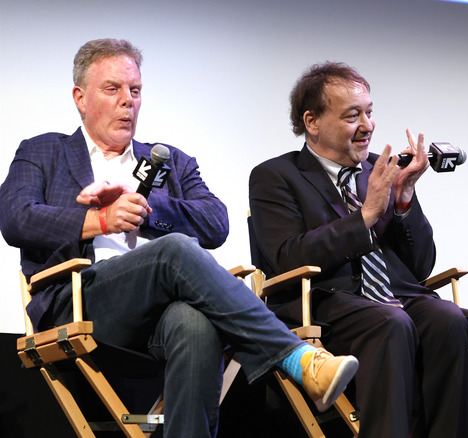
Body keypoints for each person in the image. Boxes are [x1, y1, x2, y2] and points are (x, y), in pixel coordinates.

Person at [0, 39, 358, 438]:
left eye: (135, 91)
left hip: (159, 315)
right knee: (174, 250)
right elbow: (16, 218)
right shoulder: (44, 150)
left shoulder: (169, 161)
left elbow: (216, 223)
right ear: (80, 98)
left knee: (195, 323)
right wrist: (101, 220)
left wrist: (147, 203)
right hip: (81, 302)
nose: (127, 102)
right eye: (113, 89)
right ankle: (298, 359)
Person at [248, 62, 468, 438]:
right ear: (312, 121)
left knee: (449, 321)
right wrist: (367, 215)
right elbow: (287, 258)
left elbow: (420, 266)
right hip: (326, 302)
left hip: (394, 297)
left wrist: (404, 201)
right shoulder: (276, 176)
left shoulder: (379, 170)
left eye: (370, 112)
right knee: (391, 323)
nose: (368, 125)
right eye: (352, 115)